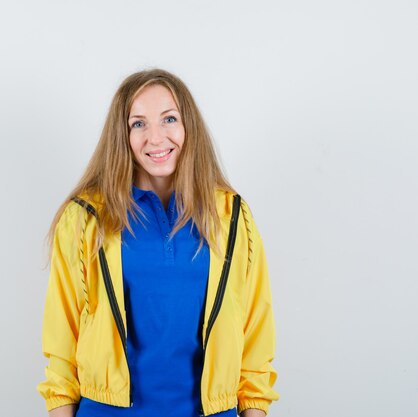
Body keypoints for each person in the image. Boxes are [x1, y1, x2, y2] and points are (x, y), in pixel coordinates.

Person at [36, 68, 279, 417]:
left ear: (188, 126)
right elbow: (62, 338)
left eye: (169, 119)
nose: (156, 137)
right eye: (138, 124)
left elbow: (256, 332)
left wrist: (254, 409)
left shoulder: (231, 215)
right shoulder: (85, 217)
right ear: (122, 135)